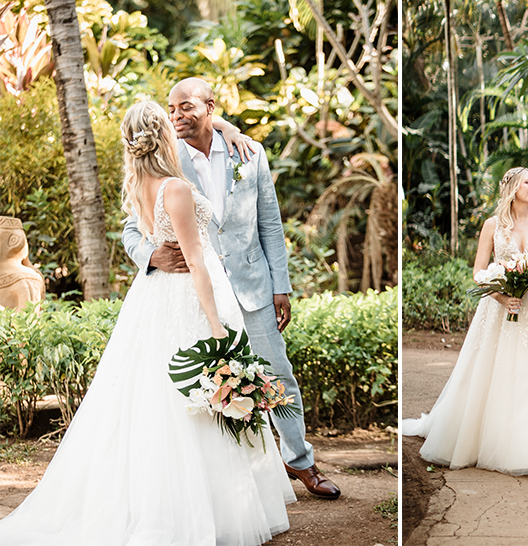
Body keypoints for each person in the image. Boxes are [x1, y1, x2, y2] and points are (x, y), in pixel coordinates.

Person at [0, 101, 295, 544]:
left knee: (163, 397)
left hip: (156, 299)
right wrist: (217, 328)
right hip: (191, 298)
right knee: (194, 394)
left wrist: (227, 128)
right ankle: (202, 509)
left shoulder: (140, 183)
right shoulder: (174, 188)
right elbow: (196, 262)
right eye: (169, 122)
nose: (178, 126)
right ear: (162, 136)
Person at [122, 78, 340, 499]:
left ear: (210, 106)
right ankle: (242, 482)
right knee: (209, 385)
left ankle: (302, 463)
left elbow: (270, 224)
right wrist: (150, 257)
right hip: (196, 293)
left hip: (253, 287)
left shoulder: (249, 152)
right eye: (172, 108)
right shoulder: (167, 160)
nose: (177, 115)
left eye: (186, 106)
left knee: (277, 375)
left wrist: (282, 285)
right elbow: (133, 226)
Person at [402, 167, 528, 475]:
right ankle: (493, 442)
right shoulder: (493, 225)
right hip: (500, 309)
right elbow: (479, 272)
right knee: (499, 374)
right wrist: (503, 297)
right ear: (512, 188)